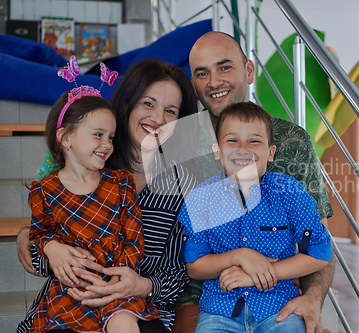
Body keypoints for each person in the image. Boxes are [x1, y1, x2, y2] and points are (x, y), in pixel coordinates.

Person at [17, 58, 199, 333]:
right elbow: (42, 244)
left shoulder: (183, 185)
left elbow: (181, 273)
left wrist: (141, 285)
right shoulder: (89, 160)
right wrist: (45, 247)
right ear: (127, 104)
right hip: (71, 302)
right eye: (148, 103)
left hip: (138, 308)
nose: (159, 119)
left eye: (171, 111)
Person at [173, 31, 335, 333]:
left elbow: (318, 240)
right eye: (202, 73)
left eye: (224, 67)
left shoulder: (292, 141)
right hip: (205, 295)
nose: (214, 81)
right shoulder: (178, 141)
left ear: (248, 70)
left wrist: (312, 297)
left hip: (276, 289)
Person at [23, 85, 160, 333]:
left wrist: (118, 277)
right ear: (66, 138)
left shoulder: (121, 183)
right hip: (71, 290)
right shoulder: (44, 191)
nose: (107, 144)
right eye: (98, 134)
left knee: (124, 322)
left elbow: (134, 238)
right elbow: (40, 234)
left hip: (117, 283)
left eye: (110, 137)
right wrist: (51, 247)